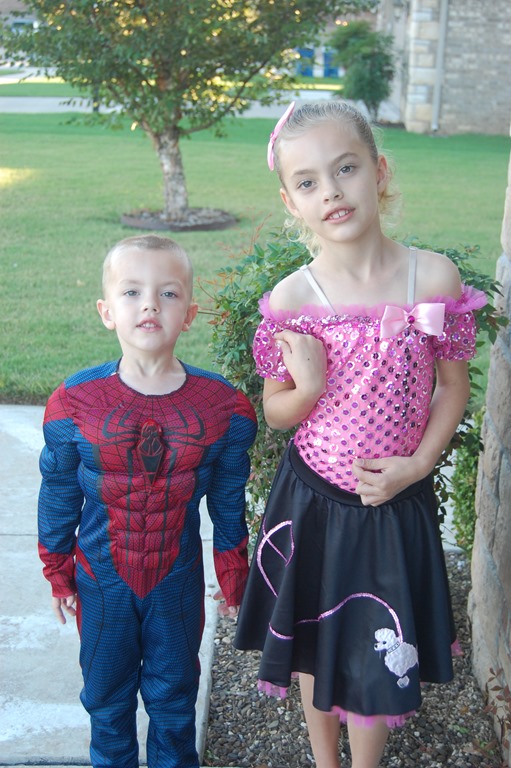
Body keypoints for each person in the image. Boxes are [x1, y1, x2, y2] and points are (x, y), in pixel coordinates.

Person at [233, 101, 486, 768]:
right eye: (308, 181)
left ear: (379, 170)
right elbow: (276, 410)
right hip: (314, 501)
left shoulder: (431, 278)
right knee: (315, 641)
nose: (331, 191)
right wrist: (308, 389)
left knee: (379, 644)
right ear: (290, 201)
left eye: (345, 169)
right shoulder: (293, 299)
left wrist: (417, 466)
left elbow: (451, 388)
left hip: (392, 502)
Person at [38, 234, 257, 768]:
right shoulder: (74, 402)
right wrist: (57, 568)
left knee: (175, 697)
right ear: (106, 311)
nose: (150, 305)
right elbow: (59, 490)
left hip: (176, 580)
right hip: (101, 578)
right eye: (132, 292)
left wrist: (232, 572)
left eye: (168, 293)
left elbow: (228, 501)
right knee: (105, 698)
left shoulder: (224, 407)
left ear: (189, 315)